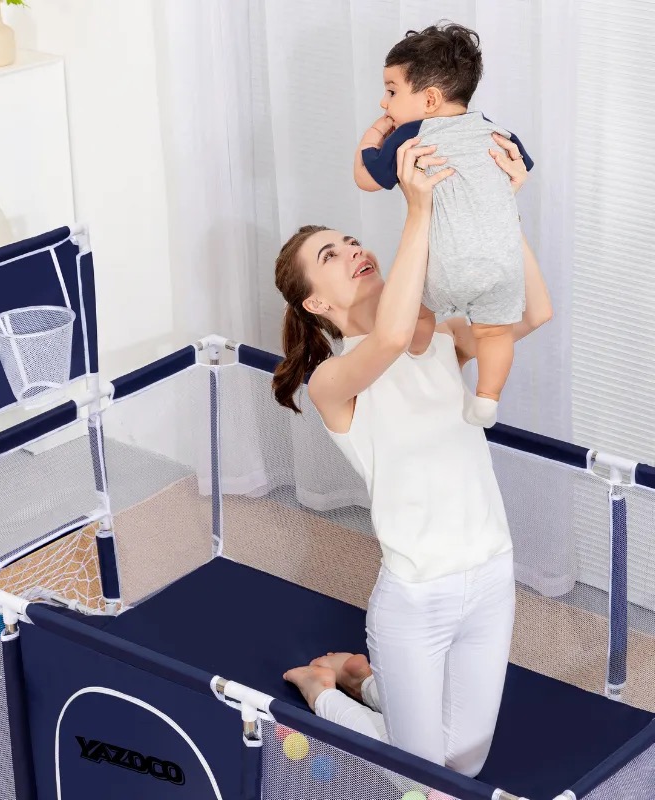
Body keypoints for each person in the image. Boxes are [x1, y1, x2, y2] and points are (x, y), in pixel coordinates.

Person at [272, 132, 552, 777]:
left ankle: (364, 680)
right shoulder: (332, 382)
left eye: (351, 241)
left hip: (490, 574)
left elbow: (534, 312)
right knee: (420, 776)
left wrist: (503, 208)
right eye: (331, 254)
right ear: (318, 304)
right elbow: (391, 337)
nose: (354, 250)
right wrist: (419, 208)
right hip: (417, 598)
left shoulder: (442, 339)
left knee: (465, 764)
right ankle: (321, 689)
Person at [354, 22, 534, 428]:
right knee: (494, 334)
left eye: (391, 91)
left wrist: (375, 133)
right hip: (503, 264)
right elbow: (519, 166)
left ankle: (417, 350)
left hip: (447, 264)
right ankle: (487, 399)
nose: (383, 102)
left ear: (430, 99)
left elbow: (365, 178)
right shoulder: (495, 131)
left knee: (417, 310)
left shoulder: (412, 135)